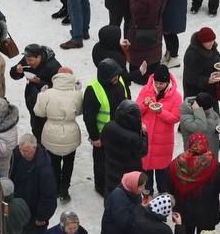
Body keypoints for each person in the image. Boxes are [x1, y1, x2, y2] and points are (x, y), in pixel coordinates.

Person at [34, 67, 82, 202]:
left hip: (50, 133)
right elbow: (78, 112)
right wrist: (79, 92)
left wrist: (40, 95)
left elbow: (39, 112)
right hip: (71, 132)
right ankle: (64, 191)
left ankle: (55, 189)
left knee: (53, 163)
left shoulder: (48, 93)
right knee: (69, 163)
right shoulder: (76, 94)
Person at [84, 59, 131, 195]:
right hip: (102, 135)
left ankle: (118, 184)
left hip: (121, 130)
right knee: (101, 163)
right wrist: (94, 137)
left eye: (117, 75)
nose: (117, 78)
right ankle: (102, 187)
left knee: (119, 160)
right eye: (114, 76)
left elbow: (127, 99)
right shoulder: (93, 90)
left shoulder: (120, 81)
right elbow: (89, 116)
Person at [10, 135, 57, 234]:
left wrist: (42, 217)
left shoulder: (44, 169)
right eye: (20, 149)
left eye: (25, 150)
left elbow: (49, 196)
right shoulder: (17, 155)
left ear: (34, 148)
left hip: (35, 214)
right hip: (19, 208)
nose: (22, 152)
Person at [125, 0, 167, 85]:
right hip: (156, 28)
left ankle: (140, 77)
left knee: (140, 54)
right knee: (153, 52)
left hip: (140, 32)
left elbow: (135, 12)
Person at [101, 99, 147, 197]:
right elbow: (142, 152)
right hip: (128, 172)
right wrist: (144, 135)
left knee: (111, 192)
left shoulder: (108, 126)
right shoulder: (133, 137)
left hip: (111, 166)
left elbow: (103, 141)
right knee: (126, 195)